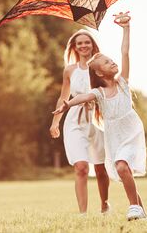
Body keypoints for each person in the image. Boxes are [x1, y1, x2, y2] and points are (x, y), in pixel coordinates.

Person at [53, 12, 147, 221]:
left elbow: (125, 52)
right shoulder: (98, 93)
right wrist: (67, 104)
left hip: (130, 133)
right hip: (113, 136)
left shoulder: (123, 82)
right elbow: (83, 96)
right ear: (99, 73)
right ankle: (141, 211)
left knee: (122, 167)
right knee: (124, 172)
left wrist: (126, 28)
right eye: (107, 63)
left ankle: (133, 207)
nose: (113, 62)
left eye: (111, 60)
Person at [49, 29, 110, 214]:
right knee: (81, 167)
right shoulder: (69, 70)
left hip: (98, 118)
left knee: (101, 168)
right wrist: (55, 122)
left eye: (87, 42)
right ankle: (83, 214)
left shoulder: (101, 67)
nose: (83, 46)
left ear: (93, 45)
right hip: (75, 119)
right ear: (74, 47)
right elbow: (63, 98)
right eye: (79, 43)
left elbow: (111, 90)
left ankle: (104, 204)